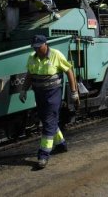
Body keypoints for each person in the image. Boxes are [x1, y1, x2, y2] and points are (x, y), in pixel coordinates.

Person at [19, 35, 79, 169]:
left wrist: (74, 92)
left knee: (48, 122)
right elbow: (29, 74)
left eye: (39, 46)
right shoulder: (32, 57)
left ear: (45, 44)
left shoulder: (56, 55)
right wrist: (23, 90)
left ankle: (43, 155)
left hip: (53, 95)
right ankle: (61, 144)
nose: (36, 49)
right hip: (39, 95)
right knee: (47, 120)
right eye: (34, 47)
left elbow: (69, 71)